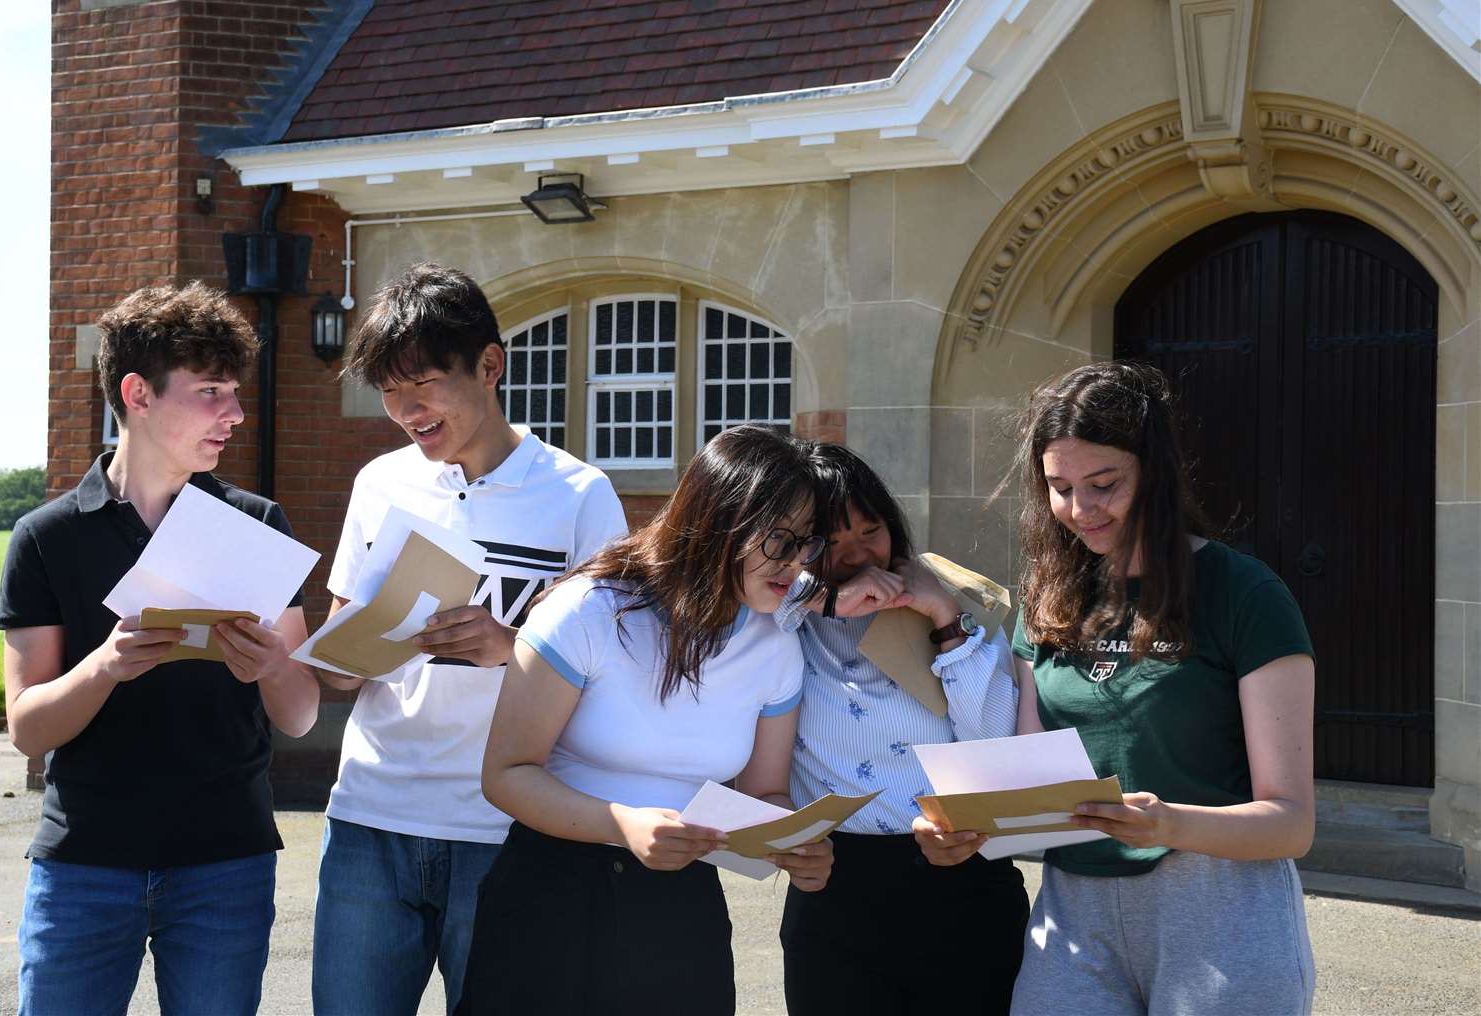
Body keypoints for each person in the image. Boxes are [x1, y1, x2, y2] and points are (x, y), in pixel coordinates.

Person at [310, 263, 626, 1016]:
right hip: (369, 815)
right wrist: (338, 658)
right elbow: (339, 653)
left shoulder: (579, 495)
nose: (404, 410)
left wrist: (507, 645)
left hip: (507, 827)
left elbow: (617, 673)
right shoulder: (381, 484)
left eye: (420, 383)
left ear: (489, 365)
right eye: (388, 390)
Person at [0, 282, 321, 1016]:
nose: (235, 414)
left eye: (236, 393)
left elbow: (300, 714)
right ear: (138, 393)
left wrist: (272, 663)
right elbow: (28, 728)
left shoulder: (257, 522)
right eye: (211, 392)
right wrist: (105, 666)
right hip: (84, 866)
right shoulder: (47, 538)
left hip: (226, 863)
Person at [457, 425, 836, 1016]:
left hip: (679, 909)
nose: (796, 564)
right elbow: (506, 773)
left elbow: (765, 791)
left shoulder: (776, 646)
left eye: (807, 544)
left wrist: (795, 844)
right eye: (779, 540)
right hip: (552, 898)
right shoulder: (588, 608)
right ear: (721, 520)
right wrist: (624, 826)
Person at [1005, 362, 1316, 1016]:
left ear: (1156, 473)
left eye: (1104, 484)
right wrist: (968, 828)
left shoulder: (1245, 594)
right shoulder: (1046, 600)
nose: (1080, 509)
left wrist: (1167, 822)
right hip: (1073, 906)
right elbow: (1030, 780)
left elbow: (1290, 823)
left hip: (1219, 905)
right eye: (1059, 488)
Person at [773, 442, 1030, 1015]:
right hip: (836, 887)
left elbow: (994, 741)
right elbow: (722, 585)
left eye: (871, 530)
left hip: (961, 877)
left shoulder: (951, 601)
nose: (856, 554)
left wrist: (943, 619)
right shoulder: (779, 622)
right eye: (830, 540)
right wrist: (821, 600)